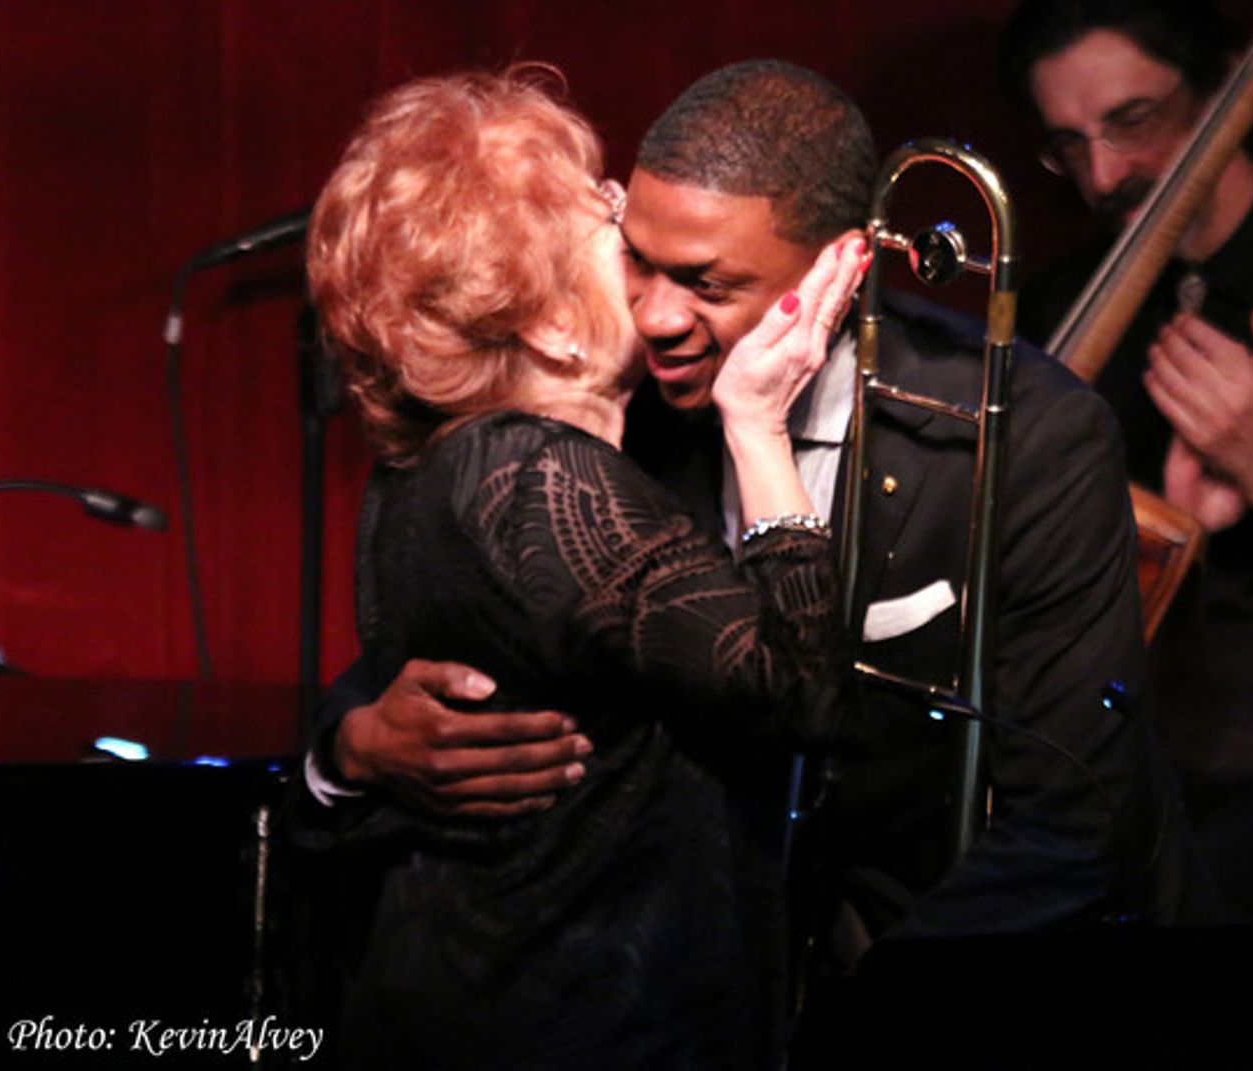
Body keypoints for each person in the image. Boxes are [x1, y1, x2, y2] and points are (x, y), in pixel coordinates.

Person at [292, 68, 866, 1068]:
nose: (637, 249)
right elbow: (799, 693)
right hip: (573, 1026)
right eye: (607, 221)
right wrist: (759, 426)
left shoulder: (445, 463)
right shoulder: (534, 479)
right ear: (552, 324)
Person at [1002, 0, 1253, 921]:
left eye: (1132, 122)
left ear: (1224, 86)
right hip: (1125, 778)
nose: (1103, 174)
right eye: (1068, 144)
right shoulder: (1063, 313)